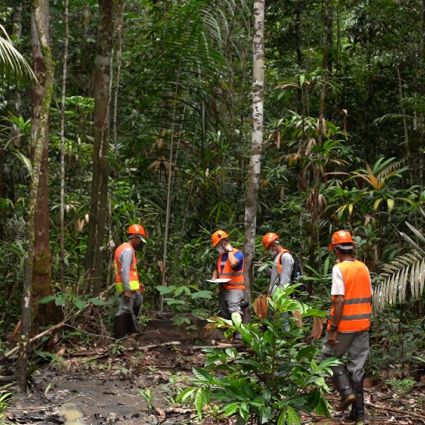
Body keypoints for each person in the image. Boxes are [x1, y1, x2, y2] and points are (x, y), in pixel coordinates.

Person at [322, 230, 372, 425]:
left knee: (328, 357)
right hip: (363, 324)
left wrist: (333, 328)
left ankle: (347, 393)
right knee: (357, 367)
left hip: (344, 326)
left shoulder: (339, 269)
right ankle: (358, 415)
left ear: (336, 250)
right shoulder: (363, 268)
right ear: (352, 247)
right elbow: (369, 295)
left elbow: (340, 300)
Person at [113, 224, 147, 339]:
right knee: (123, 309)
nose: (139, 242)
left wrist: (137, 284)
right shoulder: (127, 250)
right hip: (126, 287)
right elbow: (124, 271)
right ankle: (119, 337)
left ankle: (130, 329)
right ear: (135, 237)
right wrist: (127, 289)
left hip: (131, 286)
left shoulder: (125, 248)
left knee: (138, 299)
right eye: (139, 239)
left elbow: (131, 272)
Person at [210, 230, 245, 327]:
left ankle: (238, 335)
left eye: (218, 245)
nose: (217, 248)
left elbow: (234, 264)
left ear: (224, 243)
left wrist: (229, 251)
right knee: (224, 313)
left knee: (234, 311)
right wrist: (214, 277)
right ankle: (229, 336)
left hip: (235, 289)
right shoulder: (220, 257)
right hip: (223, 288)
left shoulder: (237, 253)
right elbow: (216, 268)